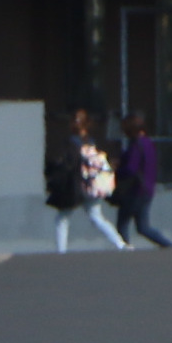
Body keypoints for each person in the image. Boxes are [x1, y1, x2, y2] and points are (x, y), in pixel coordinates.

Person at [45, 108, 128, 252]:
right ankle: (120, 244)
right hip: (92, 185)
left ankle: (61, 251)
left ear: (72, 124)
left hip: (75, 187)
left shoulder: (71, 143)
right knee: (97, 217)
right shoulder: (92, 142)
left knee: (62, 219)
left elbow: (68, 166)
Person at [112, 113, 172, 249]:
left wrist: (117, 171)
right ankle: (167, 245)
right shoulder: (149, 144)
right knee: (143, 227)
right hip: (147, 189)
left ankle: (125, 248)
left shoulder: (136, 146)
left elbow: (131, 168)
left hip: (135, 190)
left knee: (122, 223)